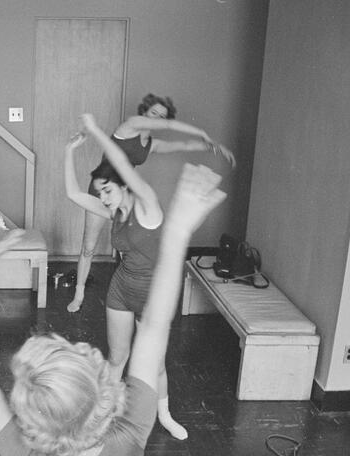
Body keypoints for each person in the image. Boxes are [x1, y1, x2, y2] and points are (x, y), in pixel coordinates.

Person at [0, 163, 225, 456]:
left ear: (33, 420)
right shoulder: (133, 430)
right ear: (99, 390)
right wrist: (177, 233)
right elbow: (154, 325)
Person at [63, 114, 190, 440]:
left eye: (107, 191)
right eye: (101, 193)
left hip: (153, 296)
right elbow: (74, 194)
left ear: (124, 185)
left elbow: (120, 162)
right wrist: (69, 152)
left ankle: (165, 416)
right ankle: (101, 417)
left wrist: (95, 131)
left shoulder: (148, 207)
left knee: (155, 365)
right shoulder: (113, 210)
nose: (103, 198)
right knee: (117, 358)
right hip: (122, 289)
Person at [67, 93, 234, 314]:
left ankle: (126, 294)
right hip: (104, 191)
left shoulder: (151, 144)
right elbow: (170, 125)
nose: (156, 118)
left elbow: (183, 145)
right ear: (144, 112)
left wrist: (214, 147)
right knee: (88, 247)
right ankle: (78, 294)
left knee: (130, 246)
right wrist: (201, 132)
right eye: (153, 113)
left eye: (161, 116)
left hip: (124, 196)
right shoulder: (130, 126)